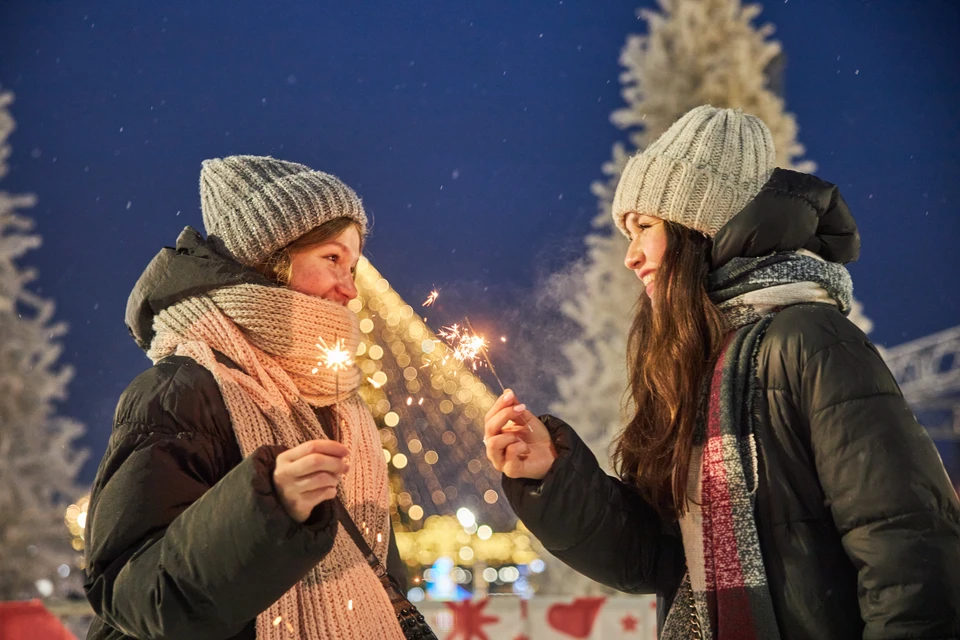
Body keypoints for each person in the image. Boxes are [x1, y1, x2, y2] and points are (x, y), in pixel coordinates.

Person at [485, 106, 960, 639]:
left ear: (700, 228)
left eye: (645, 227)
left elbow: (907, 547)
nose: (631, 255)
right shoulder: (702, 361)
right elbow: (662, 557)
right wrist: (552, 475)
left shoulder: (811, 342)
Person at [83, 156, 408, 640]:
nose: (349, 290)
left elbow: (377, 575)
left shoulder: (340, 399)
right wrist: (265, 510)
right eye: (332, 258)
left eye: (354, 266)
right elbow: (129, 590)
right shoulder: (180, 391)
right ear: (269, 258)